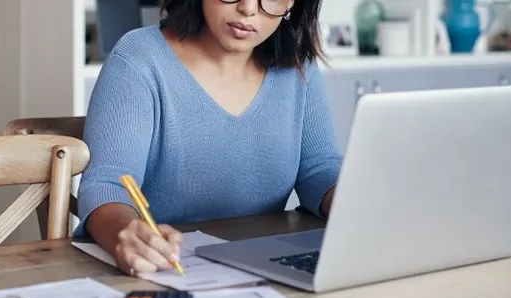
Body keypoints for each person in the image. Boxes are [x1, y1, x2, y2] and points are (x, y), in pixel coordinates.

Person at [75, 0, 343, 277]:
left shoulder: (298, 64)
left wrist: (357, 206)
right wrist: (125, 232)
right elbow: (107, 184)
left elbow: (319, 169)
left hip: (264, 269)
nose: (248, 8)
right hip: (163, 271)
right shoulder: (139, 58)